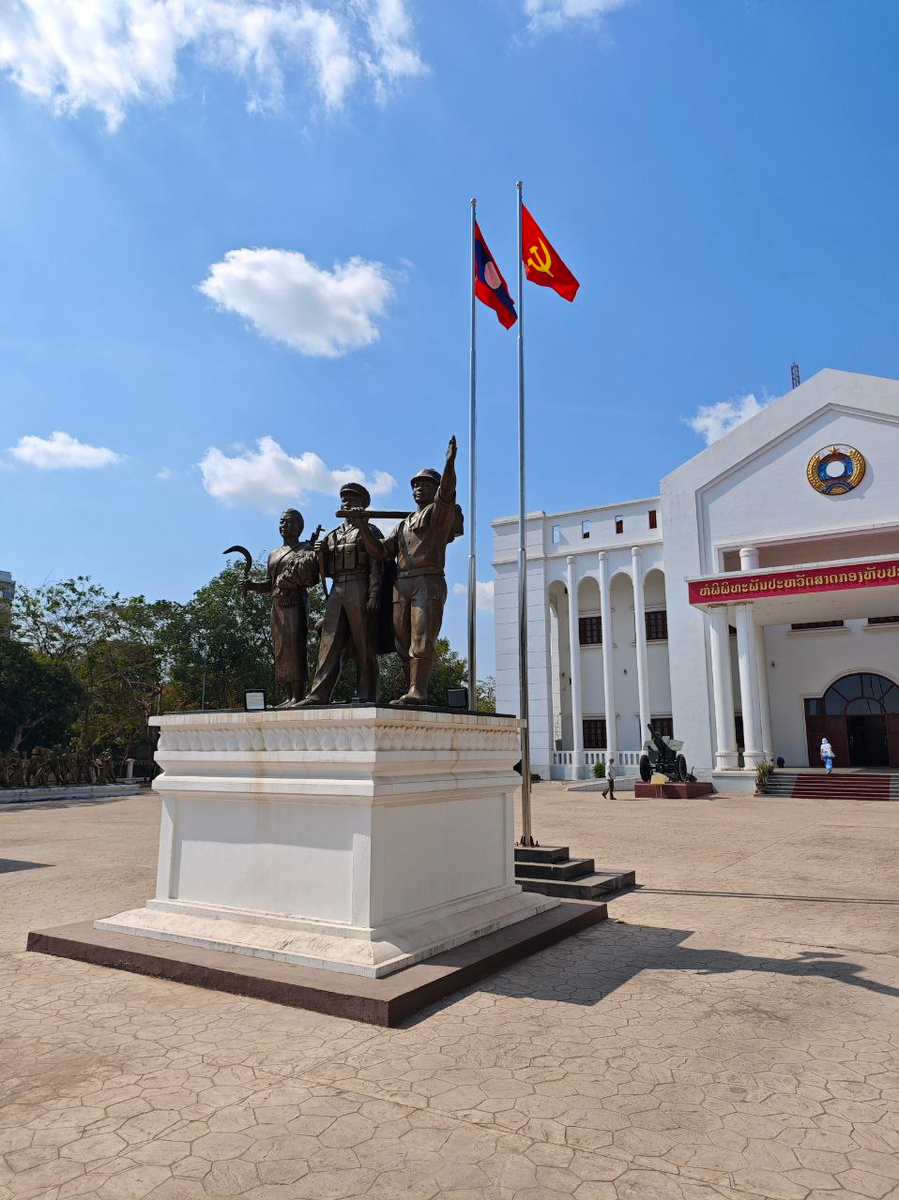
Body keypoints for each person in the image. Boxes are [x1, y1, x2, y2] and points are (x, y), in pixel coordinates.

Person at [348, 436, 460, 706]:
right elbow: (380, 551)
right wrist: (363, 527)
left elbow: (447, 494)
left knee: (421, 639)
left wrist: (449, 464)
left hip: (428, 580)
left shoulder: (439, 514)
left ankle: (418, 691)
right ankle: (411, 688)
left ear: (435, 488)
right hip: (402, 584)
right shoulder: (403, 524)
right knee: (402, 641)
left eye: (424, 484)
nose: (418, 488)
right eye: (415, 485)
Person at [301, 483, 384, 705]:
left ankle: (367, 693)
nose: (347, 502)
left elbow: (378, 564)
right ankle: (319, 693)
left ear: (363, 504)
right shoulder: (332, 535)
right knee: (328, 642)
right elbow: (325, 571)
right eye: (344, 499)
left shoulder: (370, 531)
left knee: (363, 643)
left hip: (360, 586)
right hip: (337, 589)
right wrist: (320, 555)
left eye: (353, 499)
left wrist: (374, 594)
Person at [243, 509, 319, 707]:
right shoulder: (274, 554)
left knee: (295, 647)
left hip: (295, 603)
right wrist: (252, 586)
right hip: (277, 606)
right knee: (281, 650)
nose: (284, 526)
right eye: (281, 522)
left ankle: (298, 695)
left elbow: (310, 576)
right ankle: (288, 695)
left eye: (289, 522)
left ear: (300, 527)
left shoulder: (306, 549)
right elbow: (270, 584)